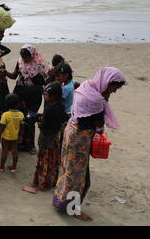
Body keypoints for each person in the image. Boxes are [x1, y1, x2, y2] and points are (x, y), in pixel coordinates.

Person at [52, 67, 126, 221]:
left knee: (68, 170)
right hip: (79, 139)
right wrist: (99, 127)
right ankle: (73, 210)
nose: (114, 91)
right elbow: (92, 123)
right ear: (107, 81)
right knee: (77, 176)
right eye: (114, 87)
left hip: (71, 133)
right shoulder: (96, 99)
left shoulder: (87, 87)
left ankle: (60, 201)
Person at [1, 44, 50, 154]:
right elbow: (14, 76)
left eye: (26, 57)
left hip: (34, 94)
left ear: (32, 55)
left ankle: (31, 146)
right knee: (18, 118)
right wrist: (5, 72)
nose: (24, 59)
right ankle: (17, 143)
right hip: (20, 93)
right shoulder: (20, 62)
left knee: (30, 118)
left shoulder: (40, 64)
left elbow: (46, 81)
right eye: (22, 56)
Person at [23, 82, 65, 193]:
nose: (44, 96)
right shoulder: (61, 106)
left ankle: (41, 184)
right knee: (53, 161)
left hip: (47, 139)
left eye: (46, 94)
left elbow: (45, 127)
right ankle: (51, 182)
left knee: (43, 161)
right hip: (55, 138)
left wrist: (40, 123)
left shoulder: (49, 109)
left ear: (53, 96)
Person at [0, 94, 24, 173]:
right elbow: (22, 126)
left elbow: (2, 126)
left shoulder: (5, 115)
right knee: (14, 151)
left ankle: (1, 167)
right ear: (18, 104)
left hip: (6, 137)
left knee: (5, 151)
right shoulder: (21, 114)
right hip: (15, 137)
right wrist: (21, 136)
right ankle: (13, 168)